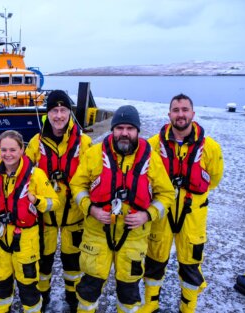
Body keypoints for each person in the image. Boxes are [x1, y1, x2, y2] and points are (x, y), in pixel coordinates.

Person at [70, 105, 175, 313]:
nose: (124, 133)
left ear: (137, 131)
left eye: (130, 128)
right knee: (88, 290)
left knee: (129, 294)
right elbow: (77, 185)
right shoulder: (93, 154)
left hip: (134, 237)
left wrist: (147, 215)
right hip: (97, 234)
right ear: (112, 130)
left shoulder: (152, 158)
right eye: (119, 128)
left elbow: (167, 194)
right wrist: (91, 209)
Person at [142, 94, 224, 313]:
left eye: (185, 110)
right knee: (155, 258)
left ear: (192, 114)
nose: (180, 114)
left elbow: (214, 179)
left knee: (190, 262)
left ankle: (188, 306)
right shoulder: (152, 145)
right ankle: (151, 301)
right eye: (176, 110)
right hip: (162, 212)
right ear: (169, 114)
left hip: (193, 215)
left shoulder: (211, 148)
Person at [0, 130, 60, 313]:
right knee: (1, 282)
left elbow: (54, 202)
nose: (8, 154)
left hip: (25, 239)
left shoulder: (36, 174)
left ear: (22, 149)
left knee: (29, 286)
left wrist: (36, 201)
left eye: (13, 150)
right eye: (4, 149)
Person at [25, 90, 92, 312]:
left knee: (72, 260)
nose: (59, 115)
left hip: (74, 214)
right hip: (46, 215)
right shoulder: (35, 142)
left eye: (64, 110)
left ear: (70, 114)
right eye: (54, 110)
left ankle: (72, 296)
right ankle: (42, 296)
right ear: (48, 113)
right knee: (43, 260)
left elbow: (94, 177)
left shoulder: (84, 143)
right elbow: (26, 175)